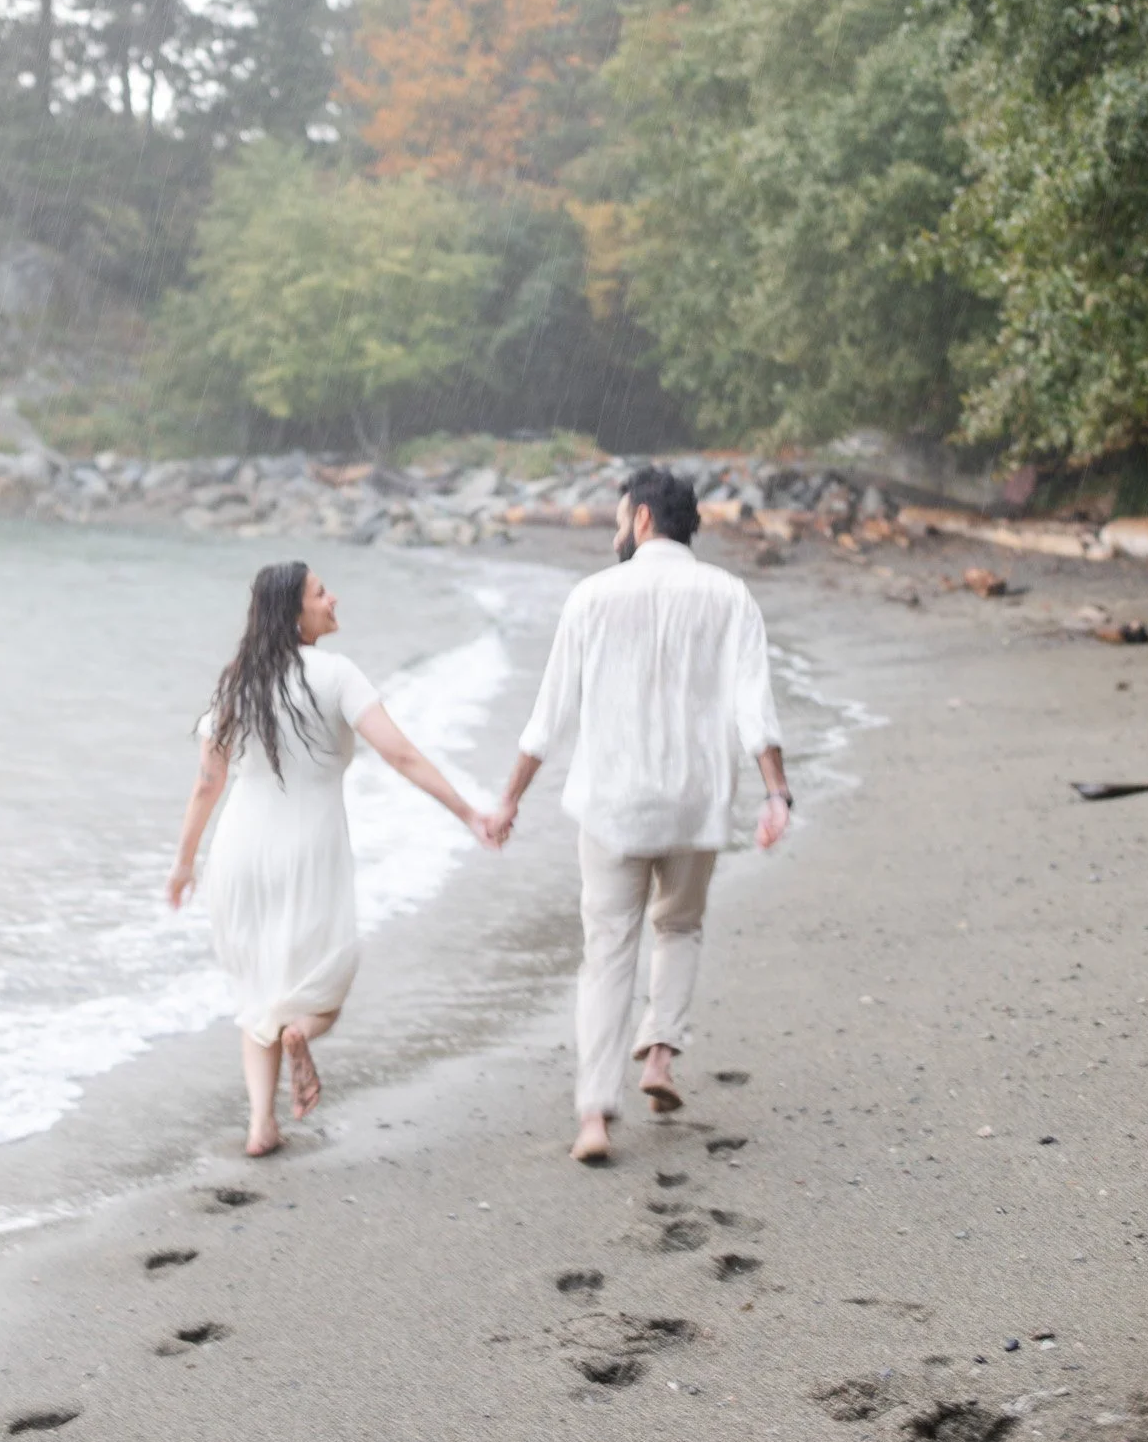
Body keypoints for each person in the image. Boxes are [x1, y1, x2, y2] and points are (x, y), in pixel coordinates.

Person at [493, 465, 791, 1164]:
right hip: (694, 801)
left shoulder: (591, 597)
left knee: (607, 953)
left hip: (612, 803)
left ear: (645, 520)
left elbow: (548, 719)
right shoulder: (729, 595)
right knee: (679, 927)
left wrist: (508, 798)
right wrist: (775, 793)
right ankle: (659, 1054)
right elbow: (755, 709)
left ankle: (594, 1115)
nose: (614, 529)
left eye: (619, 517)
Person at [167, 559, 498, 1155]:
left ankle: (261, 1125)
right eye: (321, 593)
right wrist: (468, 812)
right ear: (294, 613)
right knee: (326, 985)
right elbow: (401, 755)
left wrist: (184, 863)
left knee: (256, 988)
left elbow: (206, 783)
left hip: (239, 850)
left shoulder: (235, 681)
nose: (334, 599)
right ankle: (302, 1034)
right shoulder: (336, 674)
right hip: (309, 849)